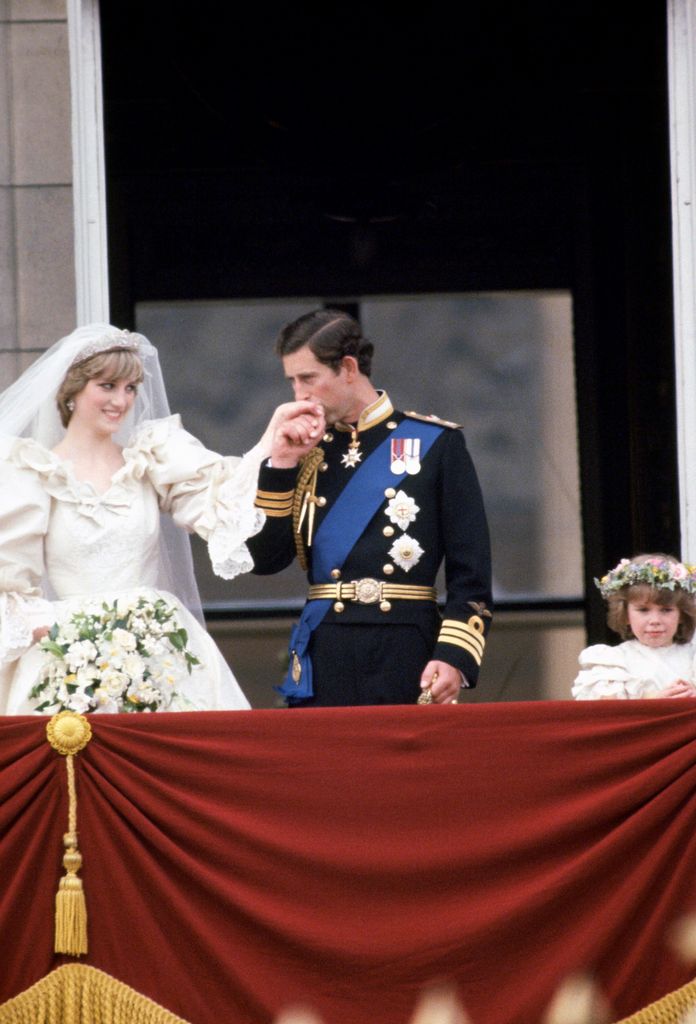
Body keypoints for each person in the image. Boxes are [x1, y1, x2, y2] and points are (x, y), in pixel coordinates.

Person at [0, 323, 321, 714]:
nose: (121, 400)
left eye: (130, 388)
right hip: (69, 659)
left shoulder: (152, 456)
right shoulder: (33, 472)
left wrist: (273, 444)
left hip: (161, 651)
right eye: (107, 386)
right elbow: (11, 583)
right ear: (71, 392)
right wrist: (62, 637)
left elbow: (222, 499)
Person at [246, 308, 493, 706]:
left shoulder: (435, 444)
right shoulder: (304, 451)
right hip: (326, 647)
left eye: (308, 379)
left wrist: (452, 655)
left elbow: (472, 571)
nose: (298, 395)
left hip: (406, 646)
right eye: (291, 381)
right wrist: (281, 465)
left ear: (347, 367)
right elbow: (264, 560)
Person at [572, 553, 696, 700]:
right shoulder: (614, 663)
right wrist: (654, 702)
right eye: (643, 610)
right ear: (625, 615)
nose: (655, 620)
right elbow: (607, 714)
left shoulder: (692, 657)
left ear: (682, 614)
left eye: (666, 610)